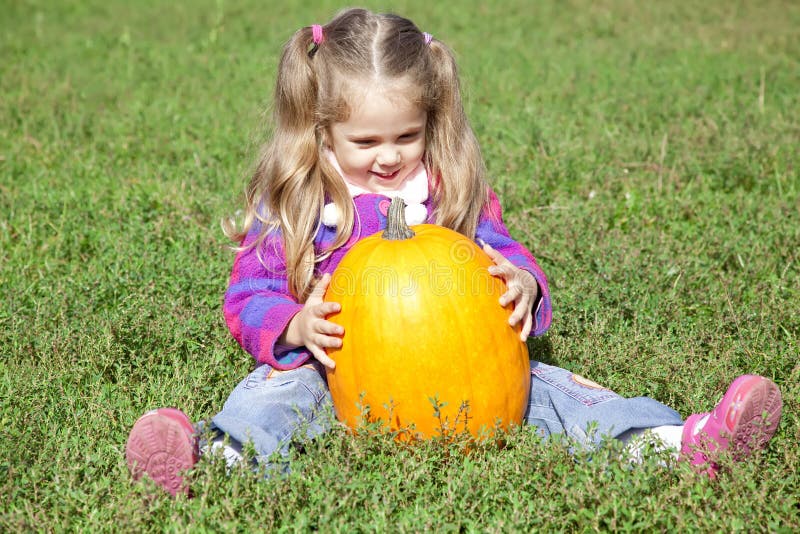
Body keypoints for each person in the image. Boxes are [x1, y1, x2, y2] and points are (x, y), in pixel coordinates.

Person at [125, 8, 782, 497]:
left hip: (462, 371)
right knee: (274, 398)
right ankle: (211, 460)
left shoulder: (446, 189)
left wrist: (523, 283)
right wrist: (291, 325)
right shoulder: (297, 199)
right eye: (366, 141)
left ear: (432, 121)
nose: (388, 156)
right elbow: (247, 298)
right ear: (321, 129)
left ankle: (673, 444)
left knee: (551, 392)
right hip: (333, 368)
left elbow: (501, 251)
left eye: (406, 135)